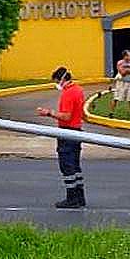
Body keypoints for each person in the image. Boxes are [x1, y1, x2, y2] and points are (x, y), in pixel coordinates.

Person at [36, 67, 86, 209]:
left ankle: (72, 198)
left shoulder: (68, 93)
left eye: (57, 81)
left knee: (67, 166)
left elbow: (66, 116)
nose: (57, 84)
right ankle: (80, 197)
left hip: (67, 132)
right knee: (75, 166)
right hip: (77, 131)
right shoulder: (79, 90)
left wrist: (48, 113)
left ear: (62, 79)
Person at [110, 50, 130, 117]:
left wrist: (127, 70)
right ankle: (111, 112)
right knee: (116, 97)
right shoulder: (120, 62)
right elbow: (122, 72)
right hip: (121, 82)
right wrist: (129, 70)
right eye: (128, 55)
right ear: (125, 56)